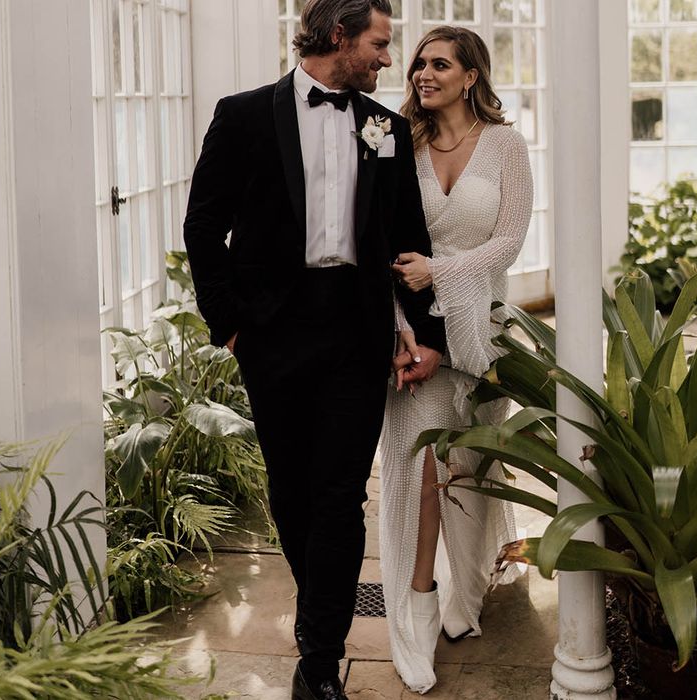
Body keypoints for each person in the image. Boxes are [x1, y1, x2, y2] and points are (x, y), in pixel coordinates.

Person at [183, 1, 446, 698]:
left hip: (356, 335)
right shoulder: (241, 116)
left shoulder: (385, 127)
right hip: (271, 334)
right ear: (338, 37)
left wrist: (432, 336)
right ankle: (321, 611)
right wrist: (231, 325)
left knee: (338, 496)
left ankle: (320, 661)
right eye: (381, 45)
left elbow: (408, 235)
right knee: (292, 489)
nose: (391, 60)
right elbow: (203, 226)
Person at [379, 26, 534, 694]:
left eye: (439, 63)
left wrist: (439, 271)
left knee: (471, 469)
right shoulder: (395, 144)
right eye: (417, 63)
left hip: (479, 336)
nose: (422, 72)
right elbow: (375, 243)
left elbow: (509, 242)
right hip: (410, 339)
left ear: (472, 75)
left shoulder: (505, 145)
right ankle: (414, 606)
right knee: (418, 475)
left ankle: (466, 590)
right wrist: (397, 329)